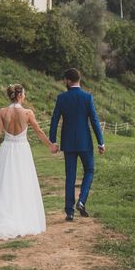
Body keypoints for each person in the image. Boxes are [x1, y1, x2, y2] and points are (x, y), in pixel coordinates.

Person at [0, 84, 59, 240]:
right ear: (19, 96)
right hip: (22, 151)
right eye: (24, 94)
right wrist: (50, 145)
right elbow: (38, 131)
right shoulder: (27, 113)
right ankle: (21, 216)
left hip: (6, 150)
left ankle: (2, 214)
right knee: (22, 182)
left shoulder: (3, 112)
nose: (25, 96)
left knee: (5, 182)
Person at [49, 68, 105, 221]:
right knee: (90, 169)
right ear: (79, 80)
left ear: (68, 80)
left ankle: (69, 212)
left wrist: (52, 141)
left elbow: (54, 120)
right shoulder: (87, 97)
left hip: (68, 142)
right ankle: (81, 201)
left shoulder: (62, 98)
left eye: (65, 80)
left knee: (70, 176)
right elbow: (94, 120)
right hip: (85, 142)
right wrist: (101, 142)